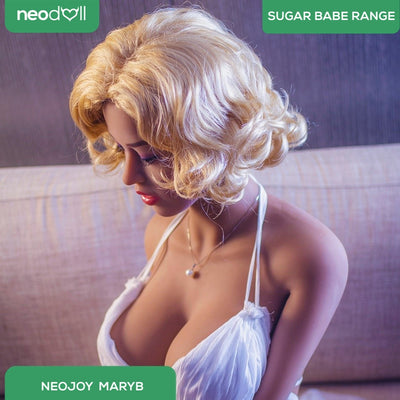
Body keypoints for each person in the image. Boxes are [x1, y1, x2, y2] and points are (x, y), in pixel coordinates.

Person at [69, 7, 348, 400]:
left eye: (150, 155)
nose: (129, 176)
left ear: (212, 138)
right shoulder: (161, 234)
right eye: (121, 148)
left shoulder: (308, 255)